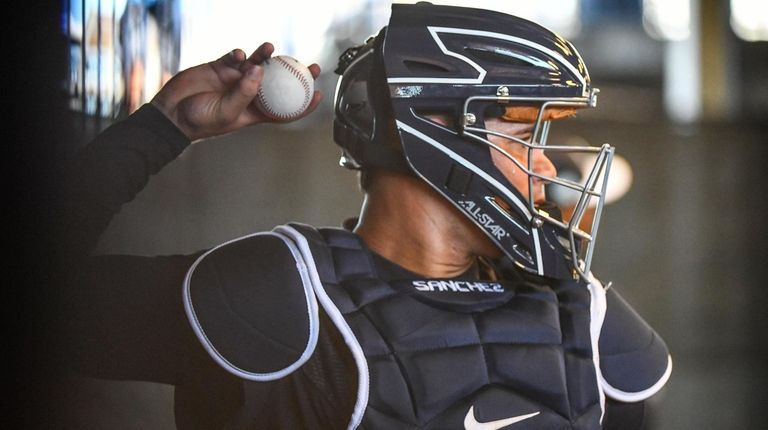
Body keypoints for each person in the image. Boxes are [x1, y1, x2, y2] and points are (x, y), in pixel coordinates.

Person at [55, 3, 671, 429]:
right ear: (434, 130)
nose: (546, 167)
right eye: (521, 133)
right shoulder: (277, 294)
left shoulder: (586, 320)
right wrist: (163, 128)